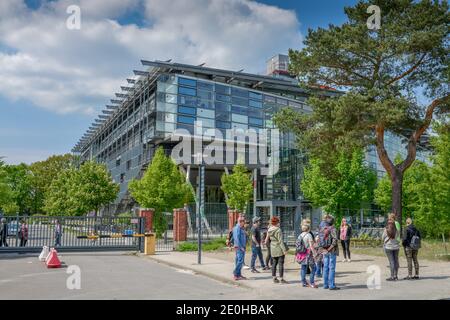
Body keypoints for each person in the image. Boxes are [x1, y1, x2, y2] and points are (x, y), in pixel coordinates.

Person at [320, 214, 340, 290]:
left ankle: (325, 285)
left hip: (324, 249)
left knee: (325, 268)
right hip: (331, 250)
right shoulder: (333, 228)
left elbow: (320, 240)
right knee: (331, 268)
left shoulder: (322, 228)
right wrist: (329, 249)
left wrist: (324, 249)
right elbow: (335, 240)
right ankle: (331, 285)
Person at [267, 216, 288, 284]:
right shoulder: (278, 230)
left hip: (272, 247)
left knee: (274, 263)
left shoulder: (269, 229)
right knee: (281, 264)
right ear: (277, 222)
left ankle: (274, 278)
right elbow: (280, 241)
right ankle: (281, 279)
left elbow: (269, 239)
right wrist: (284, 250)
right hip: (278, 247)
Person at [297, 223, 318, 288]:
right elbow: (311, 246)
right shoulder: (309, 235)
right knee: (314, 268)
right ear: (308, 229)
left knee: (303, 268)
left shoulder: (300, 235)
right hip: (309, 254)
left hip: (302, 254)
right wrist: (315, 254)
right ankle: (312, 282)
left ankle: (304, 283)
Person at [232, 216, 247, 281]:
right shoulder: (237, 228)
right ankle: (235, 273)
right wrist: (241, 247)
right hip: (239, 247)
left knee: (238, 261)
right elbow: (236, 239)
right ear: (241, 222)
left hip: (241, 247)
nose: (244, 223)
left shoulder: (241, 228)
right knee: (240, 261)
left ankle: (239, 274)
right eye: (244, 221)